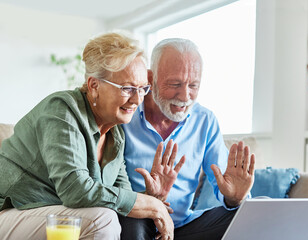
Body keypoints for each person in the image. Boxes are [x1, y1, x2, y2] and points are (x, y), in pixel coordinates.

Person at [0, 32, 184, 240]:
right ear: (94, 86)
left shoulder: (116, 136)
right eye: (127, 88)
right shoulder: (62, 111)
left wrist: (151, 198)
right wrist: (152, 207)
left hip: (54, 215)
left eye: (142, 89)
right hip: (10, 210)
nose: (137, 99)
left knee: (114, 216)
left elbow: (120, 197)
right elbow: (76, 190)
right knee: (102, 220)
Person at [120, 38, 256, 240]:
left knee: (249, 215)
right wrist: (150, 201)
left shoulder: (205, 121)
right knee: (132, 222)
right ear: (150, 78)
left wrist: (235, 198)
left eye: (193, 85)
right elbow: (110, 185)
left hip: (183, 227)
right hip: (137, 219)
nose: (185, 96)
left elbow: (225, 184)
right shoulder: (125, 116)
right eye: (175, 84)